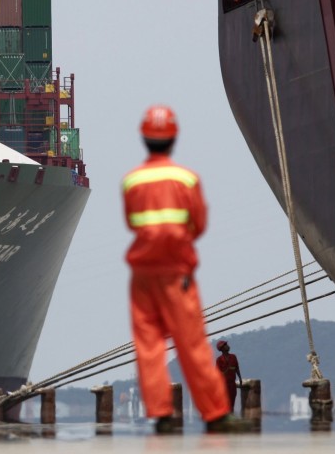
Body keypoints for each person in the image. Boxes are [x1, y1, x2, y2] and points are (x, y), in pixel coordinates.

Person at [122, 105, 239, 434]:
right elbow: (199, 224)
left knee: (148, 346)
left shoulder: (132, 181)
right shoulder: (187, 179)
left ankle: (160, 414)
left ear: (144, 139)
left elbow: (132, 221)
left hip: (143, 274)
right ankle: (216, 413)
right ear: (173, 139)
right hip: (177, 273)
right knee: (191, 343)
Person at [215, 340, 243, 410]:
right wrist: (227, 371)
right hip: (223, 385)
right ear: (222, 348)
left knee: (232, 403)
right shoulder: (219, 360)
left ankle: (231, 415)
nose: (228, 346)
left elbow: (237, 368)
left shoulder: (233, 357)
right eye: (226, 345)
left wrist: (240, 378)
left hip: (232, 384)